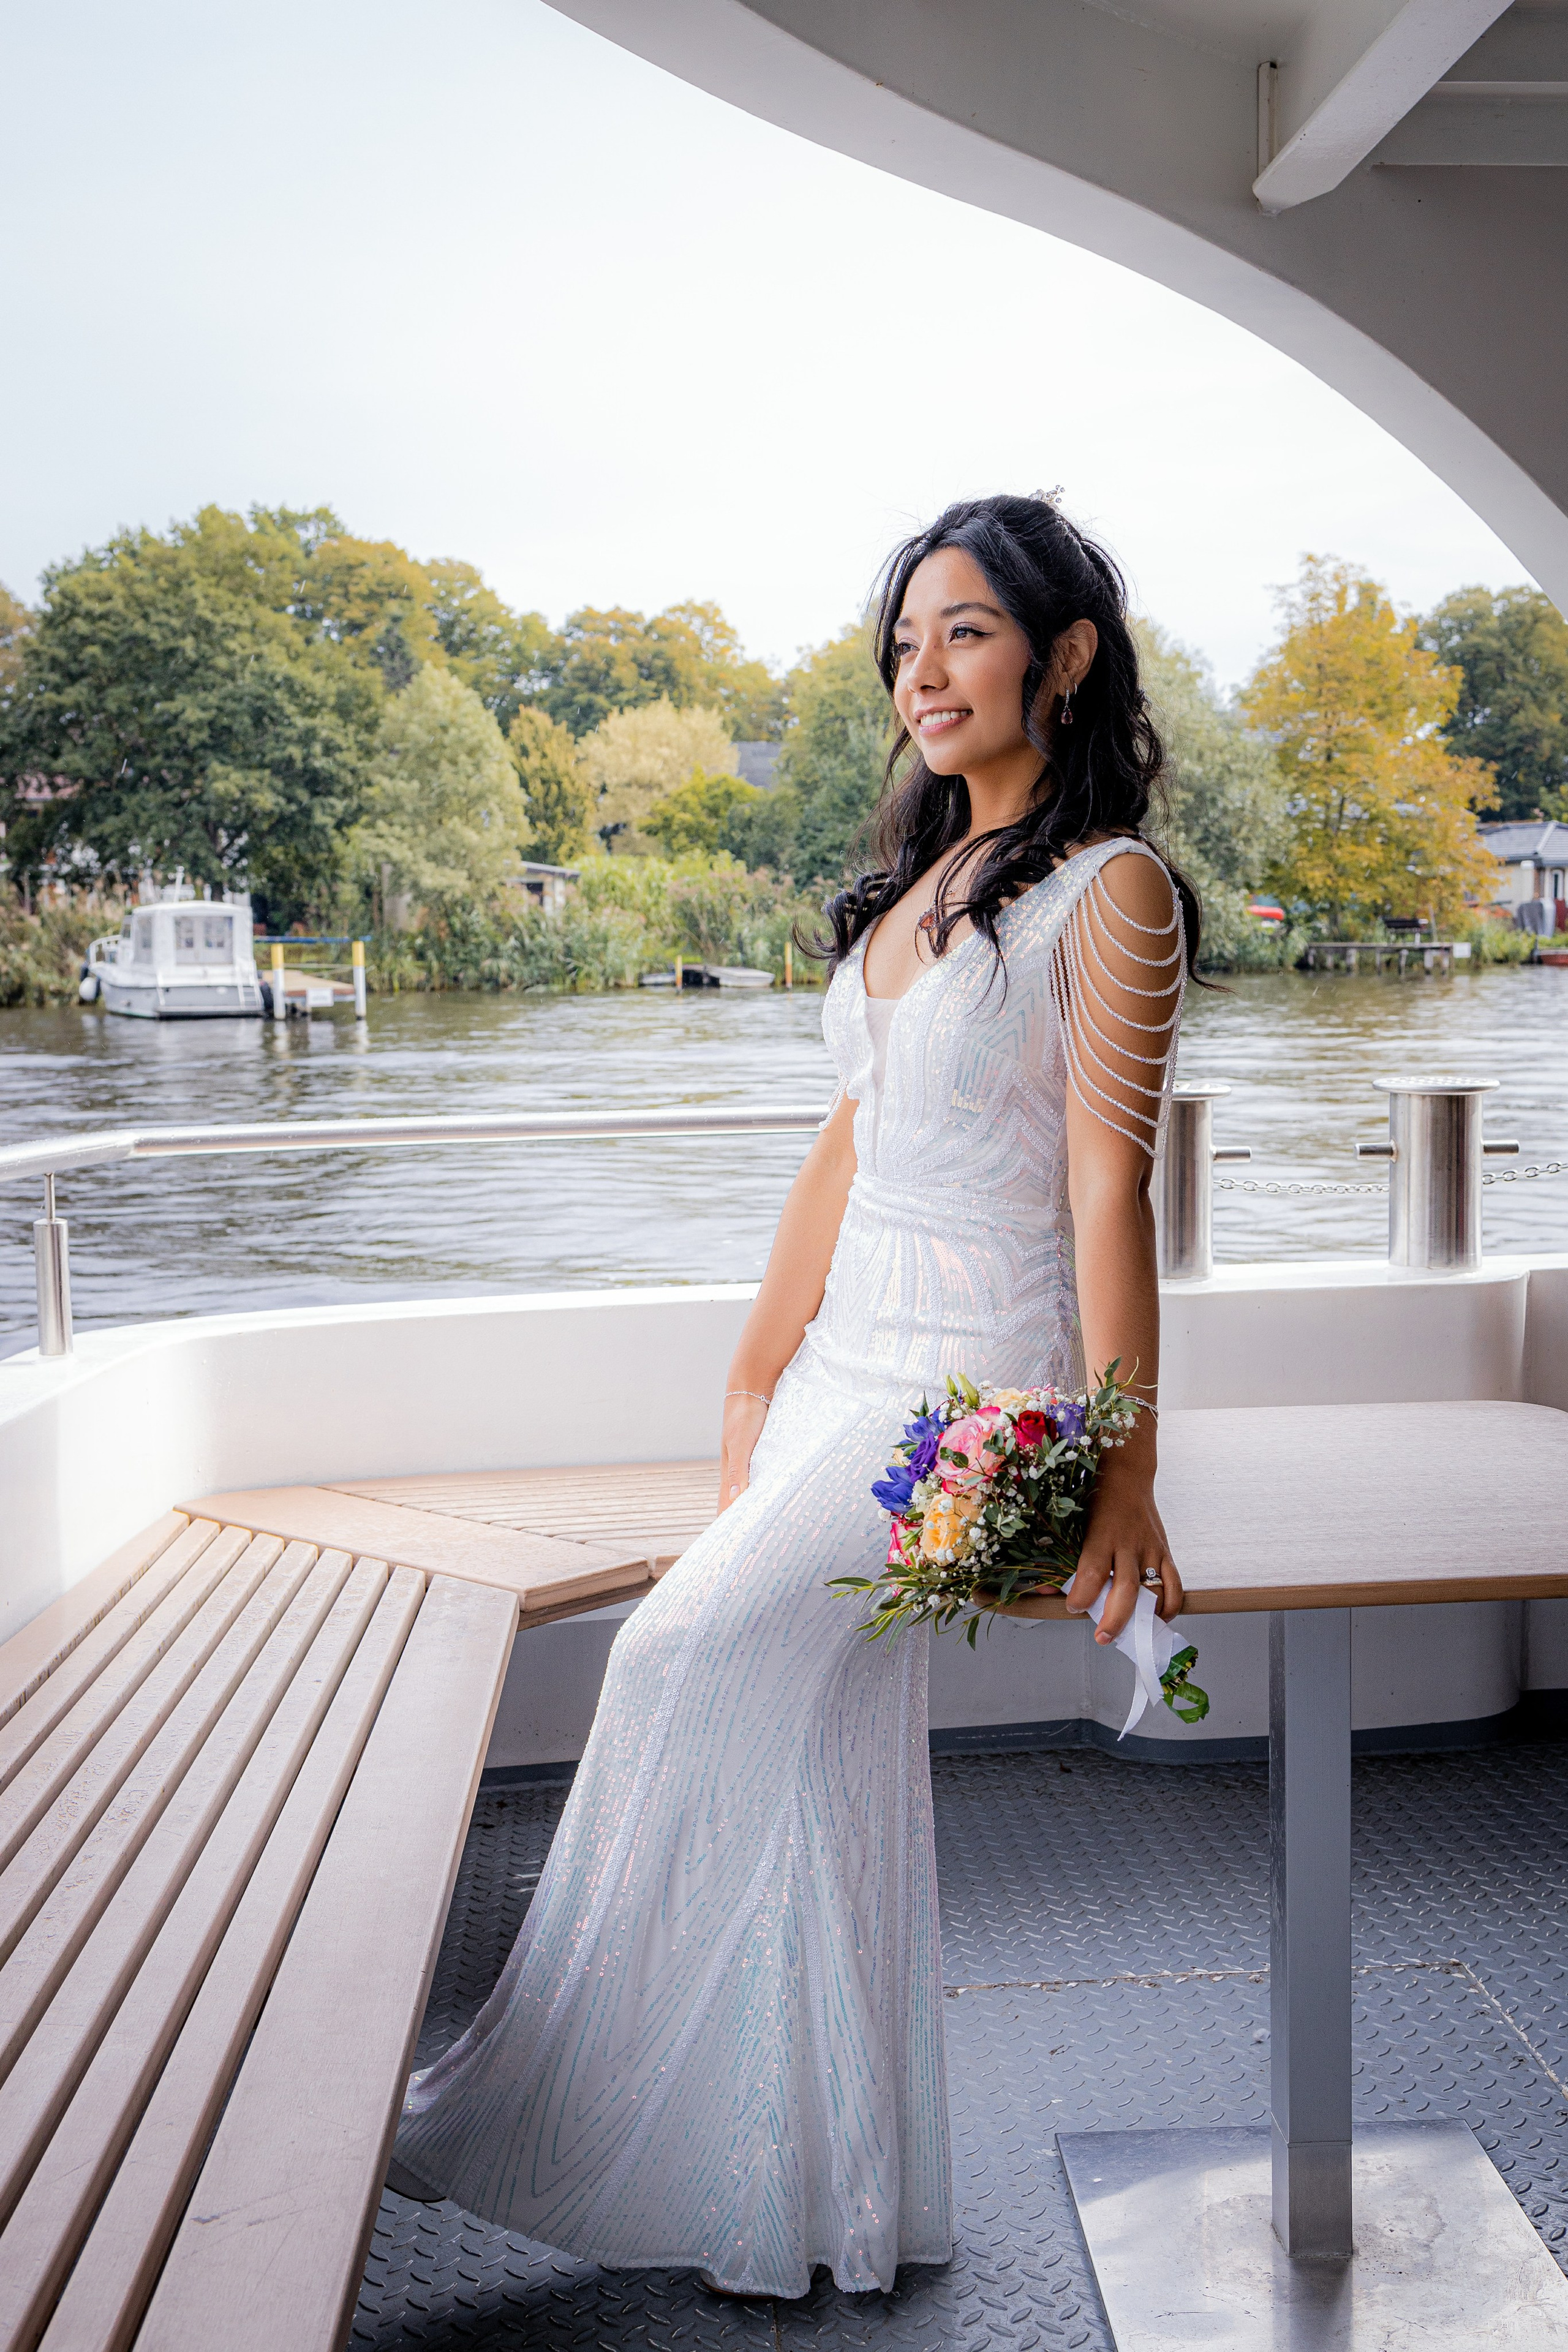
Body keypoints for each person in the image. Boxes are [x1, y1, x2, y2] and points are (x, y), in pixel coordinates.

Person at [390, 492, 1194, 2299]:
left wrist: (1122, 1470)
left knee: (679, 1657)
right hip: (844, 1365)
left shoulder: (1111, 891)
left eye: (966, 631)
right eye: (906, 639)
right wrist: (755, 1363)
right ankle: (814, 2199)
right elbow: (851, 1139)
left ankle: (524, 2110)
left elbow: (1105, 1191)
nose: (923, 671)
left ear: (1064, 657)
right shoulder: (923, 883)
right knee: (821, 1749)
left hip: (979, 1398)